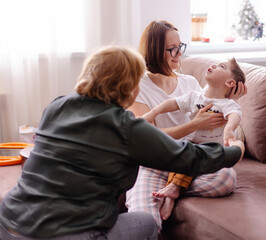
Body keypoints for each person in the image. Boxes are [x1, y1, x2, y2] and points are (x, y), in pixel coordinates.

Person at [0, 46, 245, 240]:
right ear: (128, 85)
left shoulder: (57, 106)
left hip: (9, 224)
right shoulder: (126, 126)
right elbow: (191, 157)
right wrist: (236, 149)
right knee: (146, 224)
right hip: (70, 234)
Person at [125, 20, 247, 230]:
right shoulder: (138, 86)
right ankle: (168, 187)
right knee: (143, 221)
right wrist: (192, 126)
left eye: (179, 47)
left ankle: (174, 188)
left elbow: (226, 129)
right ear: (154, 51)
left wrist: (229, 102)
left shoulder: (189, 83)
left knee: (226, 177)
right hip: (154, 164)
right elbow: (148, 138)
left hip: (190, 163)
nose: (178, 53)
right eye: (171, 49)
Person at [142, 57, 246, 214]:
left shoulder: (228, 104)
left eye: (221, 66)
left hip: (209, 150)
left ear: (230, 83)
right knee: (185, 157)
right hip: (188, 146)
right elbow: (172, 103)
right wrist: (152, 113)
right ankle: (173, 192)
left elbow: (235, 116)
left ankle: (173, 190)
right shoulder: (195, 97)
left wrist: (229, 130)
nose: (214, 65)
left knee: (210, 168)